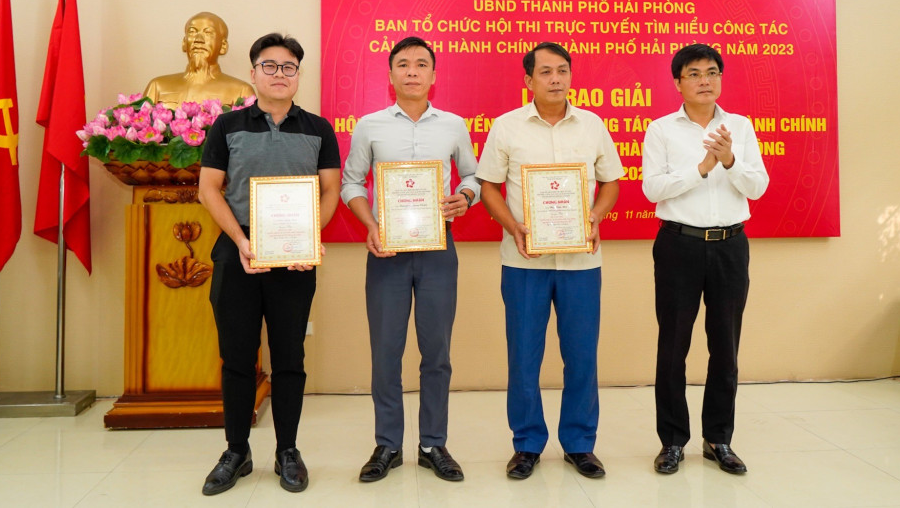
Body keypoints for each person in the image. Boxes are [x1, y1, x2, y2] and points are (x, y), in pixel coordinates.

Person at [197, 33, 340, 495]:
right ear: (254, 73)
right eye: (270, 66)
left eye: (289, 67)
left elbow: (331, 190)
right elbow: (208, 189)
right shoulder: (228, 125)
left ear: (298, 75)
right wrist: (241, 241)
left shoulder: (318, 128)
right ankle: (236, 451)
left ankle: (287, 451)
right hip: (237, 252)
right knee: (237, 357)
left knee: (290, 358)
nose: (280, 74)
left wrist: (308, 239)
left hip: (294, 257)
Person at [476, 42, 621, 480]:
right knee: (524, 357)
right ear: (528, 80)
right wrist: (513, 226)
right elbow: (488, 186)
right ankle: (527, 444)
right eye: (545, 72)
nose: (555, 79)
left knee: (582, 356)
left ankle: (580, 443)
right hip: (524, 263)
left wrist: (594, 217)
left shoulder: (592, 125)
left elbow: (611, 182)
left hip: (581, 264)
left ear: (571, 76)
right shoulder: (507, 127)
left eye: (562, 70)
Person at [341, 36, 479, 483]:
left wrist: (465, 196)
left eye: (422, 64)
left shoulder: (453, 125)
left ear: (434, 75)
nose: (413, 71)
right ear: (390, 75)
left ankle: (433, 443)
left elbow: (474, 175)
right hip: (388, 251)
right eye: (403, 64)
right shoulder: (370, 126)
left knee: (436, 351)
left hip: (438, 249)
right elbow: (350, 182)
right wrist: (370, 224)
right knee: (386, 350)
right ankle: (388, 444)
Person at [641, 43, 769, 476]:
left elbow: (757, 187)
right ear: (678, 82)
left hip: (730, 245)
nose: (705, 81)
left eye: (712, 72)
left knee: (726, 347)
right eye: (694, 74)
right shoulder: (661, 130)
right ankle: (673, 441)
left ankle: (719, 439)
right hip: (679, 244)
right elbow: (652, 189)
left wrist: (729, 160)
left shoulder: (740, 127)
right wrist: (702, 166)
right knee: (673, 346)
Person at [144, 11, 255, 108]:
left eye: (208, 33)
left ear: (223, 46)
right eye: (192, 32)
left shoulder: (241, 91)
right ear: (184, 43)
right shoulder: (157, 86)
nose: (198, 39)